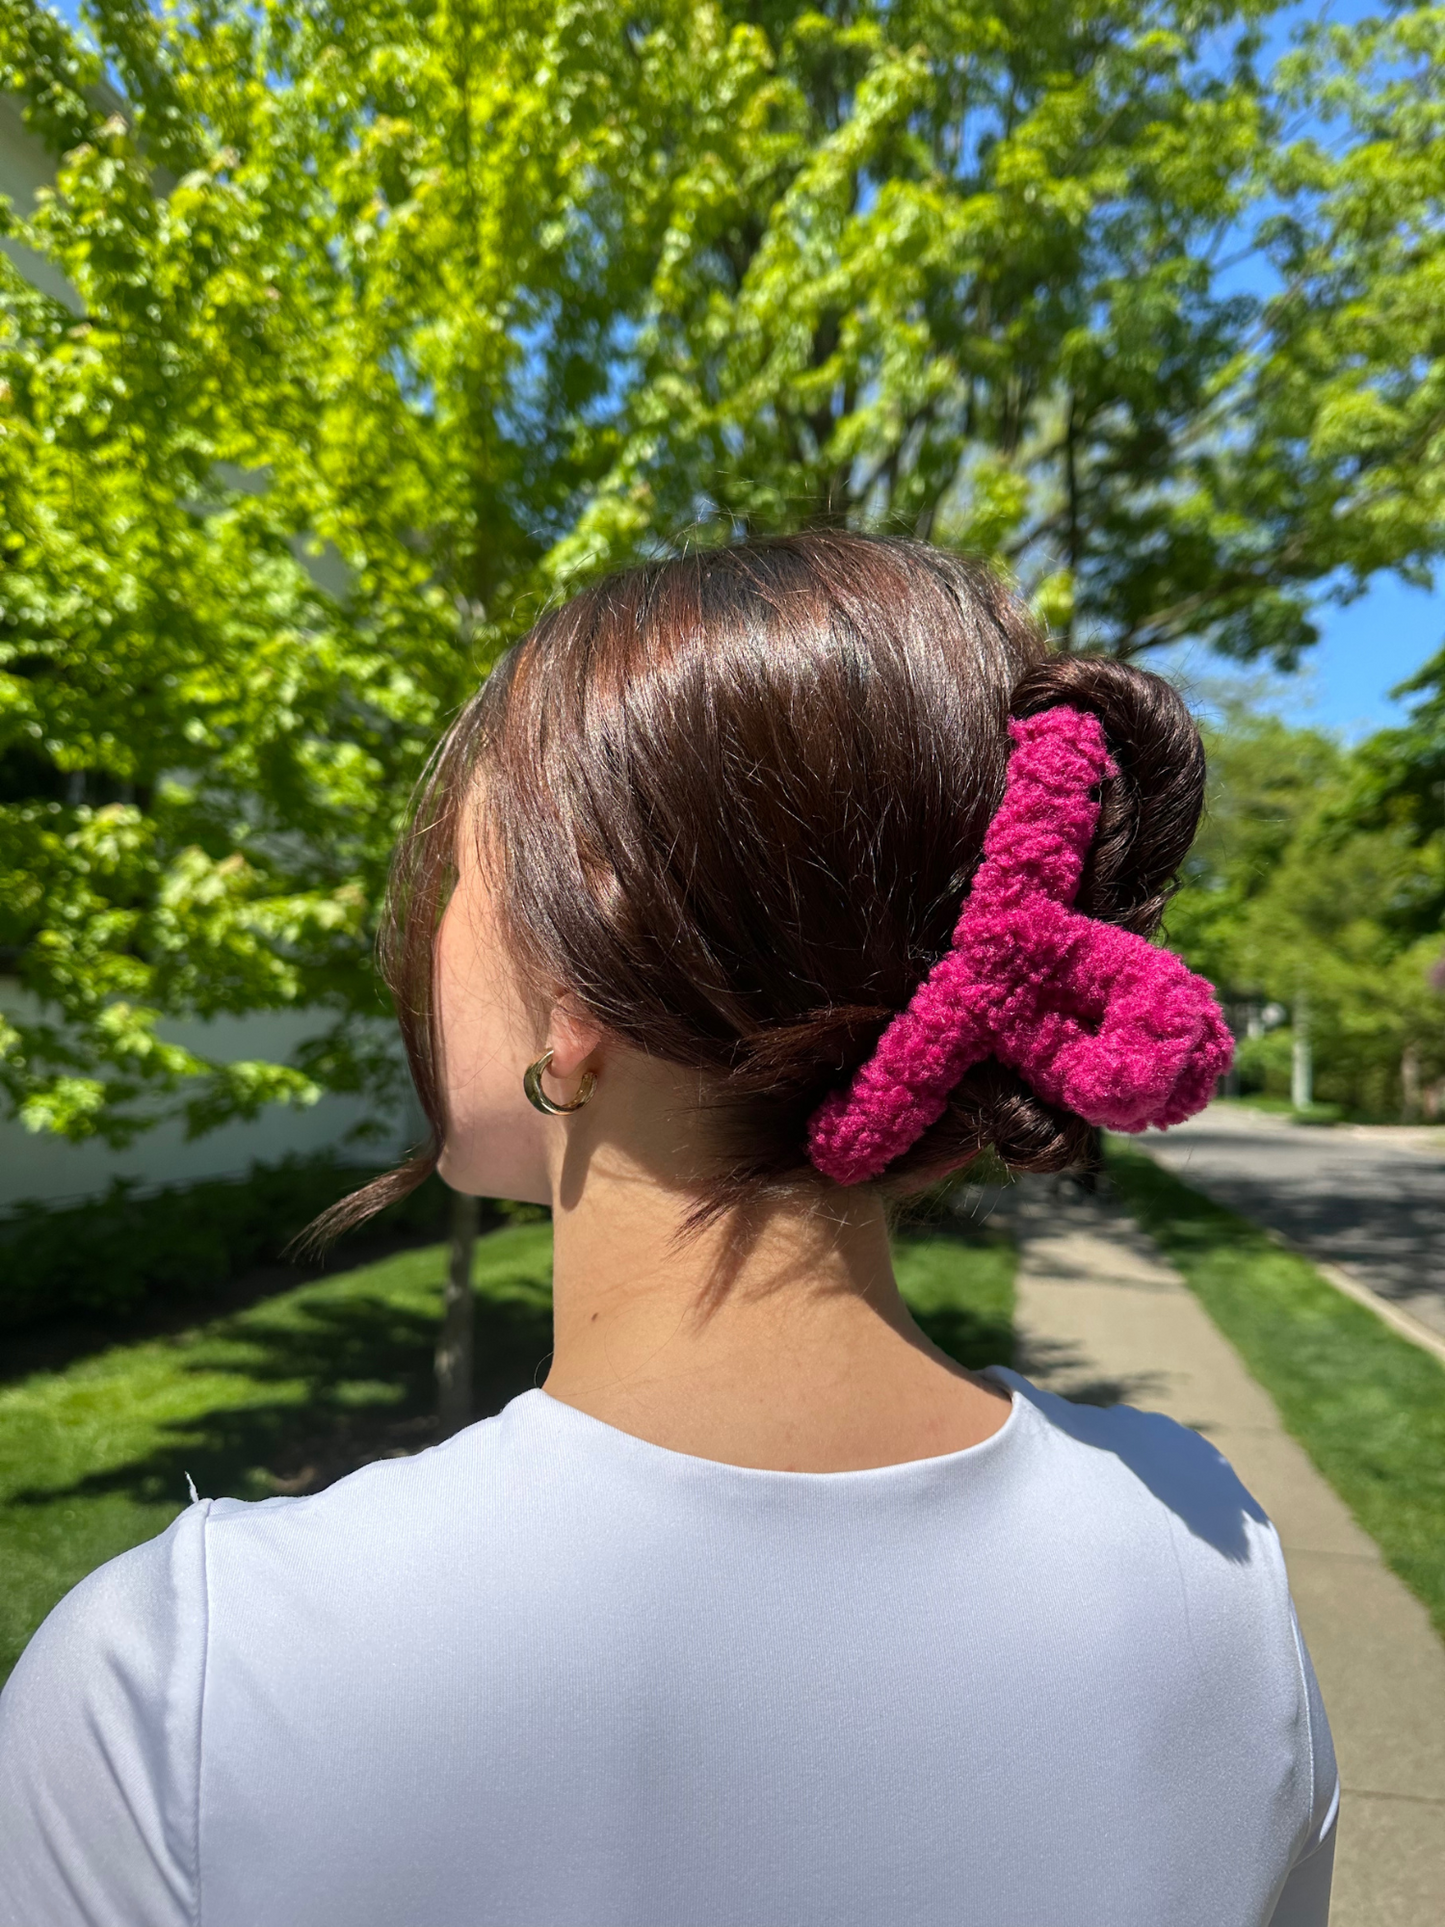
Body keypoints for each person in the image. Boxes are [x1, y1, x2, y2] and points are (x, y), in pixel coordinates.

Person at [0, 535, 1336, 1925]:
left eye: (460, 872)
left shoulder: (185, 1681)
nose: (422, 926)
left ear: (585, 973)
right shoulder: (1210, 1562)